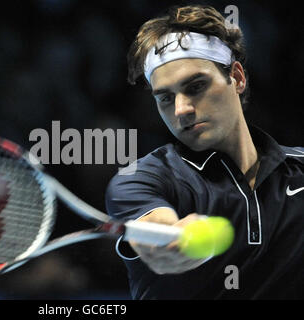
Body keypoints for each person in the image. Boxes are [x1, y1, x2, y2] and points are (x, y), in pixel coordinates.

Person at [105, 4, 303, 299]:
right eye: (165, 99)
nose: (182, 109)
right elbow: (153, 225)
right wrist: (169, 240)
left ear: (236, 77)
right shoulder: (140, 180)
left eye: (196, 86)